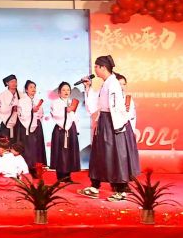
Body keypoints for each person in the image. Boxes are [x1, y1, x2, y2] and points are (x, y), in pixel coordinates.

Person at [79, 55, 140, 202]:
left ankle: (121, 190)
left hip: (112, 123)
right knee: (99, 154)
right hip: (105, 121)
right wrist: (88, 87)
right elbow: (96, 104)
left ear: (103, 67)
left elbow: (116, 107)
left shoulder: (113, 84)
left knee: (115, 155)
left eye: (96, 66)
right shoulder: (107, 83)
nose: (95, 69)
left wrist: (118, 127)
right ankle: (94, 186)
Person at [49, 81, 81, 183]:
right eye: (63, 90)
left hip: (71, 129)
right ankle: (60, 176)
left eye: (68, 90)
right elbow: (55, 115)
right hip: (60, 129)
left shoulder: (72, 102)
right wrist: (66, 110)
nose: (66, 92)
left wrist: (76, 129)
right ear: (59, 92)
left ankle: (68, 175)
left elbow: (75, 117)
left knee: (70, 152)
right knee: (61, 152)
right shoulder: (55, 102)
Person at [16, 80, 47, 176]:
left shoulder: (37, 100)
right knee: (28, 148)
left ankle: (36, 169)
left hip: (36, 126)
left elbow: (41, 114)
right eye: (31, 87)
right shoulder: (22, 101)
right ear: (26, 90)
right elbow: (21, 114)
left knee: (37, 147)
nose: (33, 89)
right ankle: (27, 169)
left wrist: (37, 119)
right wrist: (31, 111)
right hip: (26, 126)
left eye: (34, 87)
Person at [0, 75, 21, 142]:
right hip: (6, 121)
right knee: (5, 143)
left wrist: (18, 109)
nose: (14, 83)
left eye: (15, 81)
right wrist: (11, 109)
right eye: (12, 82)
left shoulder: (21, 95)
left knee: (18, 143)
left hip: (18, 123)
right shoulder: (2, 95)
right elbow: (1, 109)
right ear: (7, 83)